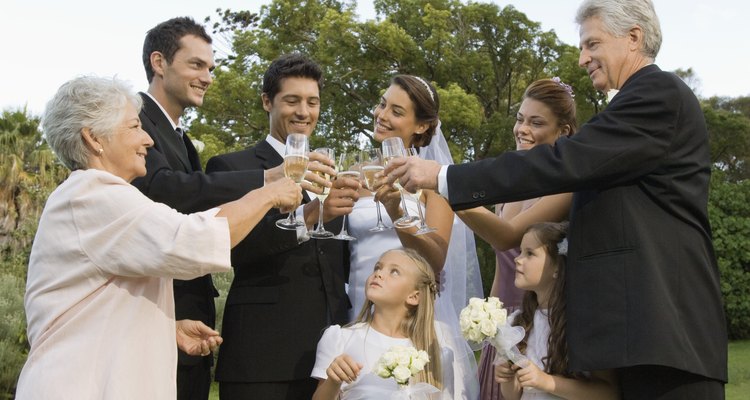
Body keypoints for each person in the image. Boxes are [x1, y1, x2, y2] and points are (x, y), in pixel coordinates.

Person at [386, 0, 728, 398]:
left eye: (591, 44)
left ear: (634, 37)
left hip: (665, 334)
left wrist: (445, 176)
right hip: (632, 338)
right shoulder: (631, 107)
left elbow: (563, 160)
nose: (583, 59)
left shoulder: (657, 93)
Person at [15, 76, 301, 399]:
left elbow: (96, 306)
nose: (148, 141)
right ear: (94, 138)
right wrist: (267, 194)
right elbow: (191, 240)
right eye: (135, 127)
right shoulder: (93, 195)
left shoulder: (94, 198)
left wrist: (167, 330)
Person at [130, 17, 288, 399]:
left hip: (186, 325)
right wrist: (265, 180)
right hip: (156, 315)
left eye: (211, 68)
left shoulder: (179, 137)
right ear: (159, 62)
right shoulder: (133, 120)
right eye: (196, 65)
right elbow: (163, 189)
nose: (207, 77)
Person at [204, 53, 358, 400]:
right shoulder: (231, 168)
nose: (304, 111)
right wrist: (312, 216)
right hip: (262, 355)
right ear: (266, 102)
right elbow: (229, 247)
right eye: (292, 100)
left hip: (332, 359)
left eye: (312, 102)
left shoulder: (329, 172)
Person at [346, 74, 481, 397]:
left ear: (421, 126)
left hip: (409, 319)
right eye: (382, 104)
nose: (382, 115)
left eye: (396, 111)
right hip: (355, 309)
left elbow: (435, 259)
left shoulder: (433, 182)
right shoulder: (355, 171)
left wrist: (397, 213)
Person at [453, 78, 576, 400]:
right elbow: (502, 266)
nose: (522, 128)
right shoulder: (506, 191)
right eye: (520, 118)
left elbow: (507, 237)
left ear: (563, 131)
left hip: (545, 322)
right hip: (506, 325)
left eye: (536, 122)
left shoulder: (564, 186)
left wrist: (447, 192)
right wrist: (491, 321)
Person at [312, 248, 466, 399]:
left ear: (414, 296)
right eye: (377, 268)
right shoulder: (341, 338)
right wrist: (333, 381)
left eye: (394, 272)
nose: (378, 273)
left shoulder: (435, 354)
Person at [494, 222, 619, 399]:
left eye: (529, 253)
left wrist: (544, 381)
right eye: (521, 251)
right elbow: (512, 396)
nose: (517, 259)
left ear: (558, 267)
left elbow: (609, 394)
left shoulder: (582, 321)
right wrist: (507, 377)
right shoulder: (517, 323)